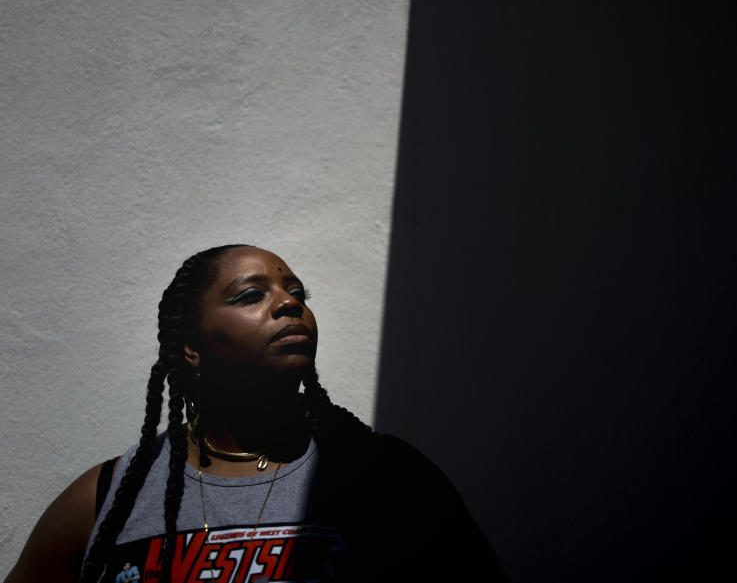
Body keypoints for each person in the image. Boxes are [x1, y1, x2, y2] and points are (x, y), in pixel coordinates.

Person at [4, 245, 505, 583]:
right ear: (191, 349)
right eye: (250, 295)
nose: (289, 304)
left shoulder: (390, 477)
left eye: (297, 293)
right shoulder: (108, 496)